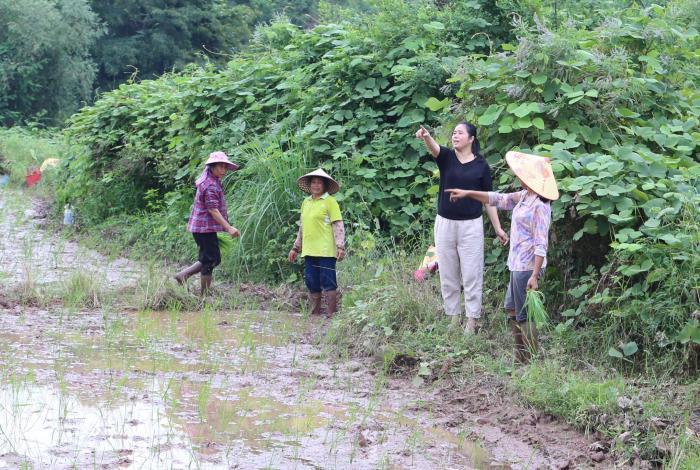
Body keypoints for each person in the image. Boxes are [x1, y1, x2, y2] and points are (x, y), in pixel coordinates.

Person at [445, 150, 559, 363]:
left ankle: (530, 362)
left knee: (524, 314)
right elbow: (498, 199)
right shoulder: (524, 196)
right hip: (516, 264)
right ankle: (521, 357)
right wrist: (468, 192)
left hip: (527, 267)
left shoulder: (540, 206)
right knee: (512, 308)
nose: (519, 178)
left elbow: (541, 244)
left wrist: (535, 275)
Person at [416, 122, 508, 334]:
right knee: (448, 273)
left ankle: (471, 321)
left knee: (471, 273)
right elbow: (434, 148)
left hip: (471, 226)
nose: (455, 136)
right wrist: (426, 136)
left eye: (460, 133)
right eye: (454, 132)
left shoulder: (481, 166)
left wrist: (498, 228)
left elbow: (488, 200)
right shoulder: (447, 158)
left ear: (471, 138)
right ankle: (453, 317)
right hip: (445, 224)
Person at [174, 151, 240, 295]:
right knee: (210, 260)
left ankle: (183, 276)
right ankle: (204, 296)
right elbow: (213, 210)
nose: (223, 171)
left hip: (203, 228)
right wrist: (228, 228)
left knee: (210, 259)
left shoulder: (211, 180)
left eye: (225, 167)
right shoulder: (210, 185)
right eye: (220, 167)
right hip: (203, 229)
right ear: (212, 167)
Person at [288, 169, 345, 318]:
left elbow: (338, 224)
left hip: (326, 250)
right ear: (310, 185)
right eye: (313, 182)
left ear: (325, 185)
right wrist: (295, 247)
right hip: (309, 250)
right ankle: (315, 313)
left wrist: (340, 246)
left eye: (319, 182)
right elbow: (302, 227)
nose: (316, 185)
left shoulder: (330, 201)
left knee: (329, 282)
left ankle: (332, 314)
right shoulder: (306, 202)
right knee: (312, 282)